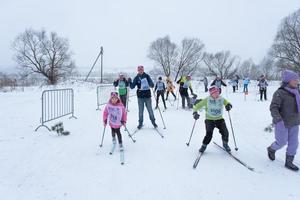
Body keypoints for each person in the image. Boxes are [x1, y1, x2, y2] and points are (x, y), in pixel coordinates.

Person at [267, 70, 300, 171]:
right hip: (282, 123)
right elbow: (273, 107)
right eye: (295, 79)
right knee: (281, 142)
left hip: (295, 122)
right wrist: (278, 119)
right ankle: (271, 149)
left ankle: (289, 162)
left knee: (294, 143)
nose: (297, 81)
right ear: (288, 80)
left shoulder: (297, 92)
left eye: (297, 79)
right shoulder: (280, 92)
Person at [192, 86, 233, 153]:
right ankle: (204, 145)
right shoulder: (207, 100)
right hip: (209, 119)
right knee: (209, 134)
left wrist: (228, 105)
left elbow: (228, 103)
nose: (217, 94)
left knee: (225, 132)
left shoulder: (221, 99)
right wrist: (195, 113)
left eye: (218, 92)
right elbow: (196, 106)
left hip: (219, 119)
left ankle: (225, 144)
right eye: (215, 93)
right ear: (211, 94)